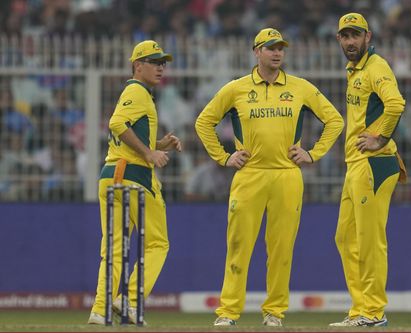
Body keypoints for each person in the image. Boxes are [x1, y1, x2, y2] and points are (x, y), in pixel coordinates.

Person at [195, 28, 344, 327]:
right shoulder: (236, 88)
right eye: (270, 48)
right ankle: (228, 311)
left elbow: (335, 120)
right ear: (256, 52)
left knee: (281, 247)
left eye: (281, 48)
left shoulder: (300, 87)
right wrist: (224, 157)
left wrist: (313, 153)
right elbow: (204, 122)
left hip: (287, 176)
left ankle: (274, 311)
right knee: (239, 244)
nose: (277, 53)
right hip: (249, 176)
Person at [88, 40, 182, 325]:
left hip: (110, 176)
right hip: (135, 178)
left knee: (114, 248)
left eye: (162, 62)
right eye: (154, 62)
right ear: (137, 66)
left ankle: (101, 310)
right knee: (158, 244)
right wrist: (149, 152)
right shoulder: (137, 90)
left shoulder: (138, 93)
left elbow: (124, 131)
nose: (160, 67)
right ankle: (128, 301)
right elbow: (116, 124)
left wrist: (157, 143)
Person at [330, 13, 407, 327]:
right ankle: (361, 308)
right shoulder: (354, 69)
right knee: (345, 238)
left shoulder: (377, 67)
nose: (351, 41)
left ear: (368, 36)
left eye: (356, 35)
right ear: (339, 39)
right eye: (345, 36)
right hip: (357, 165)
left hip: (374, 164)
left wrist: (380, 138)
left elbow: (396, 103)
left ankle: (373, 311)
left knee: (368, 239)